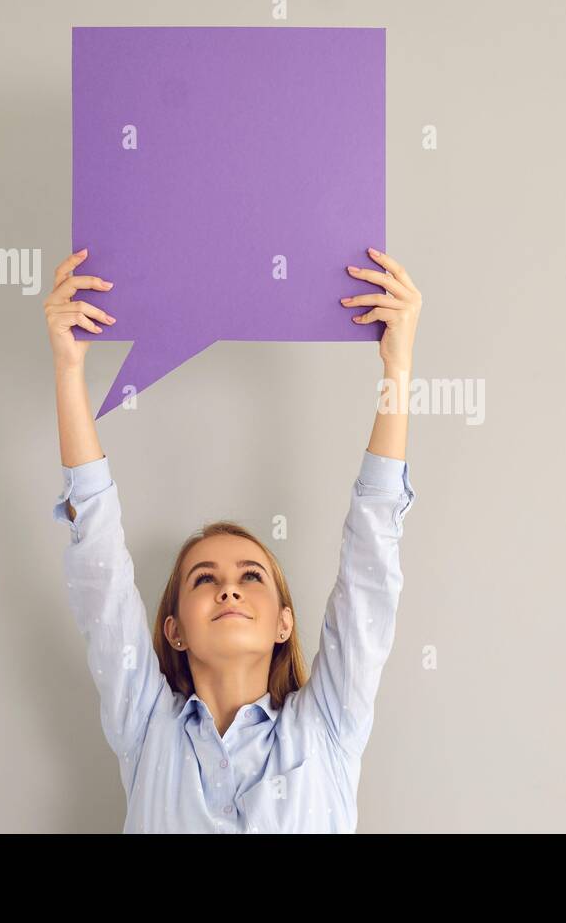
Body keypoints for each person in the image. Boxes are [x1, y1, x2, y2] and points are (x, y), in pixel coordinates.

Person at [44, 246, 422, 832]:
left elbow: (371, 561)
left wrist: (398, 368)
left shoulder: (326, 727)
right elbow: (99, 571)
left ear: (283, 623)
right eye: (204, 579)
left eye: (251, 576)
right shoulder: (147, 731)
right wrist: (69, 372)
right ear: (174, 628)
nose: (228, 590)